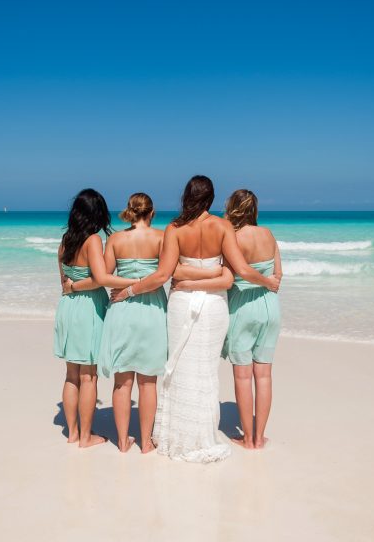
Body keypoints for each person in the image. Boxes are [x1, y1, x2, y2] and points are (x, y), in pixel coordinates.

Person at [110, 175, 280, 462]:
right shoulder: (223, 227)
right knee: (205, 370)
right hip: (214, 305)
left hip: (181, 301)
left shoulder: (174, 229)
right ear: (211, 199)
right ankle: (203, 433)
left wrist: (134, 290)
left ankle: (178, 433)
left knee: (179, 366)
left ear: (186, 196)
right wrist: (215, 272)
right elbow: (231, 275)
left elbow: (167, 274)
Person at [67, 192, 167, 453]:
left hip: (121, 308)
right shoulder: (162, 237)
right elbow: (164, 275)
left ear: (130, 212)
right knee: (148, 382)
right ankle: (146, 443)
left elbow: (105, 276)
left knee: (122, 381)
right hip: (152, 308)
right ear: (152, 212)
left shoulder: (114, 239)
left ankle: (122, 442)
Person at [55, 188, 134, 448]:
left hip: (67, 308)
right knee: (89, 376)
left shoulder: (65, 241)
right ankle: (86, 437)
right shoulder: (92, 241)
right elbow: (99, 279)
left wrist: (73, 286)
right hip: (88, 308)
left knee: (71, 375)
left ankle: (73, 433)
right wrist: (133, 281)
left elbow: (64, 282)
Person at [221, 189, 282, 448]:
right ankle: (259, 437)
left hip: (243, 307)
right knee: (264, 375)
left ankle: (247, 438)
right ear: (254, 209)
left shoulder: (233, 238)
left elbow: (233, 275)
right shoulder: (268, 234)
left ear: (233, 208)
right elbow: (278, 274)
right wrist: (267, 282)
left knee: (243, 376)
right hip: (270, 307)